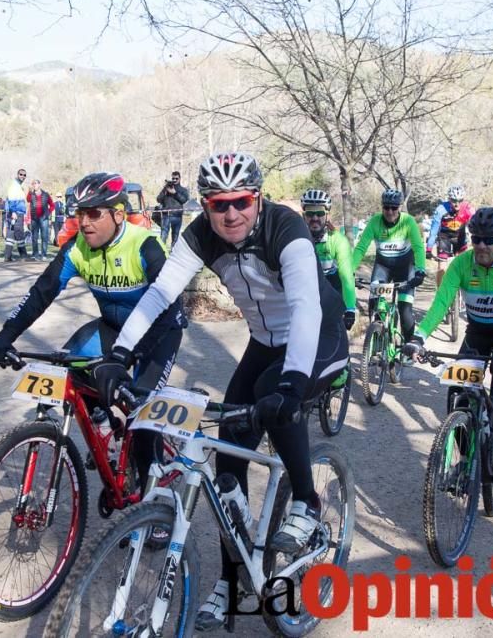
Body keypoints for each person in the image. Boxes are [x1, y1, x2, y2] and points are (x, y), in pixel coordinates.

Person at [91, 152, 349, 632]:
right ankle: (233, 582)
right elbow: (160, 293)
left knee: (276, 400)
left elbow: (306, 308)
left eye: (241, 202)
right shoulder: (201, 235)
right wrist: (119, 355)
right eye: (217, 204)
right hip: (263, 342)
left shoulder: (286, 229)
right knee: (227, 461)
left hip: (318, 337)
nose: (230, 214)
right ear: (205, 205)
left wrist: (293, 384)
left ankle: (307, 504)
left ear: (259, 198)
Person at [0, 172, 187, 498]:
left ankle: (154, 498)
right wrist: (5, 336)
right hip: (112, 327)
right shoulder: (77, 248)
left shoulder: (144, 244)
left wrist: (129, 358)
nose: (84, 222)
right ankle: (106, 424)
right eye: (79, 213)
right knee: (70, 369)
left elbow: (167, 306)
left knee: (142, 411)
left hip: (158, 332)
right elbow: (41, 292)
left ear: (118, 214)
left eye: (94, 213)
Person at [407, 207, 493, 468]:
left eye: (489, 240)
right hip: (478, 332)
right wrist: (420, 336)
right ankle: (467, 459)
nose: (481, 245)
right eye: (476, 239)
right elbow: (441, 303)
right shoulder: (462, 263)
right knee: (457, 391)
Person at [351, 189, 426, 349]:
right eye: (386, 207)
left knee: (405, 310)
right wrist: (349, 270)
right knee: (375, 303)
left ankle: (408, 347)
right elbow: (361, 248)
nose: (390, 211)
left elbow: (418, 248)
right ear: (382, 207)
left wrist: (420, 270)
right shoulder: (374, 221)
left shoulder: (408, 222)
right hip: (383, 266)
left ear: (399, 207)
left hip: (405, 268)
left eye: (394, 208)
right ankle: (378, 342)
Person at [300, 189, 356, 330]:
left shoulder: (338, 240)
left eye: (319, 213)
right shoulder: (297, 239)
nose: (315, 218)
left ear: (327, 215)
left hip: (332, 291)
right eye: (310, 213)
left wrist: (350, 309)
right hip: (306, 293)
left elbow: (347, 277)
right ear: (303, 215)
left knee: (335, 337)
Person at [426, 184, 475, 287]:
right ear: (449, 199)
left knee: (463, 263)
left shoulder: (468, 209)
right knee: (442, 266)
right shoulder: (441, 209)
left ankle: (464, 287)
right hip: (445, 237)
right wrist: (429, 249)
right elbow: (433, 230)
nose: (457, 204)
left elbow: (476, 226)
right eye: (453, 201)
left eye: (460, 201)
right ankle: (441, 293)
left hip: (460, 236)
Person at [156, 171, 190, 246]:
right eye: (173, 178)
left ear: (180, 179)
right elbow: (158, 199)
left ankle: (173, 253)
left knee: (175, 237)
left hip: (177, 216)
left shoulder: (183, 190)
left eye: (176, 178)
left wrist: (175, 193)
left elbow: (184, 200)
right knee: (163, 236)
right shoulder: (166, 189)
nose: (174, 180)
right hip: (166, 215)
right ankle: (161, 253)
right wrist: (165, 191)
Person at [4, 169, 29, 261]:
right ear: (17, 174)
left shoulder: (18, 185)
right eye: (21, 174)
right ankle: (23, 255)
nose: (23, 176)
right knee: (19, 233)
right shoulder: (14, 185)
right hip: (16, 212)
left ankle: (7, 256)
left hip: (17, 212)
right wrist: (13, 212)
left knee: (11, 233)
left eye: (24, 175)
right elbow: (11, 199)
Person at [26, 179, 54, 260]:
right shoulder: (31, 194)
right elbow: (28, 200)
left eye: (35, 184)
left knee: (44, 237)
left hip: (44, 218)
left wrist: (48, 213)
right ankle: (35, 254)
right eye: (33, 184)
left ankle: (44, 254)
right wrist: (29, 191)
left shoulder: (46, 194)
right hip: (34, 218)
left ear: (39, 184)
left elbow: (52, 205)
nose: (34, 185)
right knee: (34, 237)